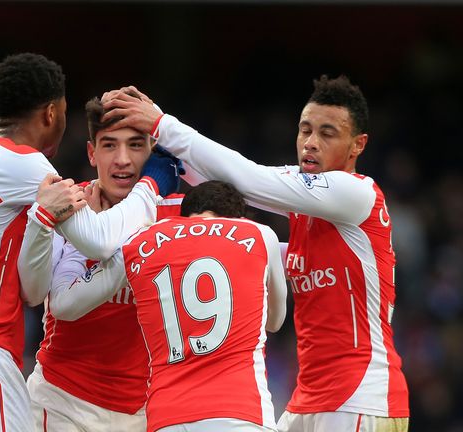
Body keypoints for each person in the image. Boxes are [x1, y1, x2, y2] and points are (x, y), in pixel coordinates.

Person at [102, 76, 410, 431]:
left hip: (360, 399)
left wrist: (162, 124)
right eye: (305, 130)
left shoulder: (357, 194)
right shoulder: (307, 205)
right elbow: (234, 185)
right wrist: (165, 158)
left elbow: (250, 181)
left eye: (327, 134)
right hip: (309, 398)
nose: (310, 143)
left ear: (358, 145)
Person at [0, 53, 180, 432]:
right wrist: (151, 187)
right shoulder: (26, 164)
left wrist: (39, 223)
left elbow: (33, 292)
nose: (122, 160)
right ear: (52, 113)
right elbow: (99, 242)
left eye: (135, 146)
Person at [50, 180, 287, 432]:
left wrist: (81, 244)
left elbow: (64, 305)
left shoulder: (138, 242)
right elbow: (275, 322)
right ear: (235, 217)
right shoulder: (258, 233)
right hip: (241, 412)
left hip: (167, 416)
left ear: (184, 214)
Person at [24, 95, 185, 431]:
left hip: (143, 412)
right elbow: (35, 294)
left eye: (136, 145)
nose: (122, 160)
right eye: (109, 145)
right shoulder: (69, 205)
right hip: (60, 403)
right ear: (91, 153)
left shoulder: (178, 215)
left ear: (154, 150)